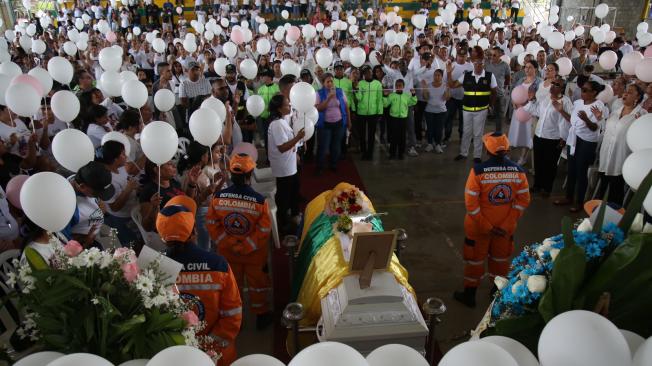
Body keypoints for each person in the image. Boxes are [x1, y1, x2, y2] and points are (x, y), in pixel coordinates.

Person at [157, 195, 242, 365]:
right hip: (216, 355)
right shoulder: (217, 264)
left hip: (174, 355)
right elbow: (232, 314)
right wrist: (206, 347)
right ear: (194, 231)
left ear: (161, 235)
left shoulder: (152, 266)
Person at [454, 132, 530, 307]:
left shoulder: (478, 172)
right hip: (505, 229)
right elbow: (523, 200)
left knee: (475, 260)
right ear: (507, 150)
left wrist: (487, 226)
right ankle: (497, 295)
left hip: (478, 228)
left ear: (487, 151)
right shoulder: (519, 172)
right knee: (500, 261)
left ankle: (470, 295)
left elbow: (471, 203)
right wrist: (507, 223)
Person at [205, 153, 274, 330]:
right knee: (257, 285)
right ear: (250, 175)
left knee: (233, 287)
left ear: (230, 174)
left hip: (229, 254)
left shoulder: (217, 198)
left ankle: (236, 320)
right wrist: (246, 246)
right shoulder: (260, 202)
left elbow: (212, 225)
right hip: (253, 255)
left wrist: (230, 244)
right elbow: (264, 230)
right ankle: (261, 316)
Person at [554, 81, 609, 212]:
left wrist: (587, 119)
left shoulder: (598, 106)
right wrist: (561, 111)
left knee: (581, 171)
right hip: (573, 138)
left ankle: (579, 202)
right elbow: (571, 121)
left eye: (585, 90)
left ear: (594, 92)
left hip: (587, 142)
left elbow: (595, 128)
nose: (582, 92)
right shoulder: (578, 103)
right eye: (582, 89)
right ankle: (568, 197)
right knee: (571, 169)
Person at [597, 84, 646, 206]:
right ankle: (596, 215)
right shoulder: (615, 112)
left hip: (621, 157)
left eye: (630, 92)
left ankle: (613, 218)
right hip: (606, 155)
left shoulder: (641, 114)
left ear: (638, 96)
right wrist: (600, 119)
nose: (625, 94)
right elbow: (607, 132)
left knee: (616, 191)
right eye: (625, 91)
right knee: (602, 187)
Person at [524, 76, 572, 198]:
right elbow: (535, 112)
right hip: (539, 135)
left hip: (554, 138)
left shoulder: (565, 101)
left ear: (562, 88)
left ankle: (547, 188)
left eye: (557, 84)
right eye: (553, 83)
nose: (553, 85)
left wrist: (564, 138)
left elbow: (570, 121)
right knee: (538, 162)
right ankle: (537, 185)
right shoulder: (545, 98)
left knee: (550, 164)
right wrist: (531, 100)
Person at [447, 50, 498, 163]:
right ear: (473, 64)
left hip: (481, 110)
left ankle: (477, 156)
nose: (478, 65)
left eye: (481, 63)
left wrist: (491, 105)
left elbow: (494, 92)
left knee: (478, 133)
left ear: (484, 64)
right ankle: (463, 153)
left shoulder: (490, 76)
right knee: (466, 132)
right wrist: (449, 73)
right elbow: (452, 85)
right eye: (476, 63)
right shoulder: (466, 75)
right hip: (467, 109)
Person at [267, 94, 304, 234]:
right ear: (279, 109)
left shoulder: (282, 121)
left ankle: (293, 216)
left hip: (289, 165)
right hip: (283, 167)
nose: (290, 106)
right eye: (287, 105)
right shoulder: (276, 124)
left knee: (293, 190)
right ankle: (284, 224)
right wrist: (298, 138)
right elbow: (282, 147)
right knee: (284, 195)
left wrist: (296, 151)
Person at [315, 73, 350, 174]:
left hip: (339, 123)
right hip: (325, 124)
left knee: (336, 145)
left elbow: (346, 107)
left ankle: (333, 164)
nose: (330, 84)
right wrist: (329, 97)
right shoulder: (319, 93)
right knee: (323, 146)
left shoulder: (339, 91)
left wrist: (349, 121)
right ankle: (320, 166)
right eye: (327, 82)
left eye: (331, 81)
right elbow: (319, 108)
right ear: (323, 83)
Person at [508, 59, 541, 166]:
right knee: (515, 133)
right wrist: (514, 102)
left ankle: (523, 157)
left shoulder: (539, 82)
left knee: (527, 135)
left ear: (535, 69)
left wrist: (526, 103)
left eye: (530, 67)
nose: (527, 69)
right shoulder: (521, 80)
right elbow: (514, 92)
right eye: (526, 67)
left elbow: (539, 98)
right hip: (518, 111)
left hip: (529, 113)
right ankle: (509, 155)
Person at [354, 65, 383, 160]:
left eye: (370, 72)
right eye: (366, 72)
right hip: (361, 113)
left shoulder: (377, 84)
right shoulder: (361, 83)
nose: (368, 74)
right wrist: (357, 89)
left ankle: (370, 153)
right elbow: (359, 98)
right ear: (364, 74)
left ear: (372, 73)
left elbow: (379, 99)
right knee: (362, 134)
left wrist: (380, 112)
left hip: (373, 113)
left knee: (371, 135)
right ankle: (363, 152)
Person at [383, 79, 417, 159]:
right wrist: (385, 96)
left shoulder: (406, 96)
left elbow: (413, 102)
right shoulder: (391, 95)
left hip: (403, 119)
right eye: (397, 85)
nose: (398, 87)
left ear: (403, 87)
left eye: (400, 85)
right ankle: (392, 154)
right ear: (395, 86)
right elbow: (385, 104)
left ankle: (401, 154)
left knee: (402, 137)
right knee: (393, 137)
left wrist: (413, 94)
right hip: (393, 119)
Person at [422, 69, 449, 154]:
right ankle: (430, 144)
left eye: (438, 75)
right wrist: (424, 89)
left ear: (441, 77)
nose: (436, 77)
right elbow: (425, 98)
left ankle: (438, 144)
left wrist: (447, 90)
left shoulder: (445, 85)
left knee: (439, 129)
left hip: (441, 111)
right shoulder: (429, 85)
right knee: (430, 128)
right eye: (435, 75)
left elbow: (446, 98)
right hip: (429, 111)